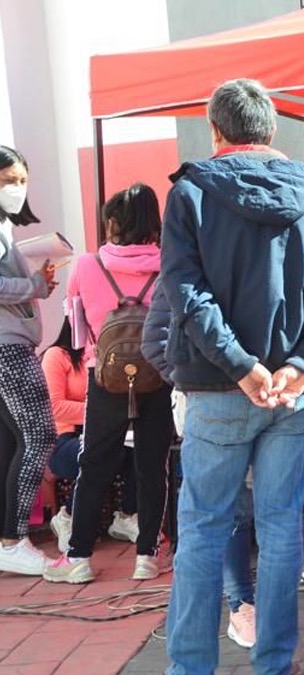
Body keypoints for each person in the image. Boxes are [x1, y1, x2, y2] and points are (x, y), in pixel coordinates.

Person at [160, 79, 304, 675]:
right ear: (271, 130)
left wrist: (243, 366)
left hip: (222, 386)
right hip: (291, 394)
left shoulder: (192, 191)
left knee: (203, 528)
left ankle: (191, 668)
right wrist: (299, 367)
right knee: (280, 527)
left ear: (215, 130)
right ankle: (274, 664)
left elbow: (185, 292)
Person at [44, 183, 175, 584]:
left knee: (94, 466)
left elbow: (78, 330)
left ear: (113, 222)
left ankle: (79, 557)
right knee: (154, 466)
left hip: (106, 377)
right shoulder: (170, 262)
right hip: (156, 376)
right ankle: (147, 555)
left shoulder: (86, 265)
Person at [0, 145, 57, 577]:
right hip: (8, 348)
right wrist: (34, 284)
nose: (16, 189)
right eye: (7, 181)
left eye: (21, 181)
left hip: (13, 343)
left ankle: (8, 538)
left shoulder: (5, 229)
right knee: (39, 435)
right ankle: (13, 538)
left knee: (10, 443)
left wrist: (35, 285)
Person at [43, 318, 139, 554]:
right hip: (64, 440)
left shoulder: (108, 355)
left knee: (143, 452)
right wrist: (101, 412)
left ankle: (127, 515)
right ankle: (68, 516)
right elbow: (54, 406)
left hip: (108, 434)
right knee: (99, 453)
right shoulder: (56, 356)